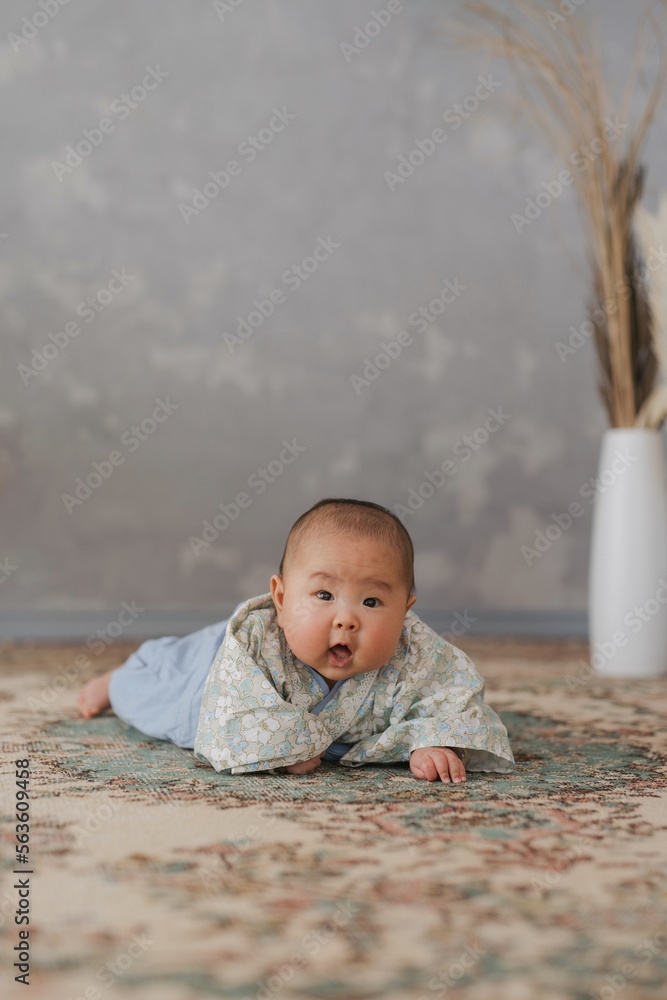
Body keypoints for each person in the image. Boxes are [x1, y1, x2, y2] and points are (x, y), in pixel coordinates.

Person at [78, 498, 515, 783]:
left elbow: (448, 698)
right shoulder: (255, 643)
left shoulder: (415, 654)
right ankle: (116, 680)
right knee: (165, 692)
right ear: (282, 598)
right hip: (214, 672)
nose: (345, 620)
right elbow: (235, 714)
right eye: (323, 595)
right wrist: (283, 748)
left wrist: (433, 740)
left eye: (371, 601)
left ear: (405, 610)